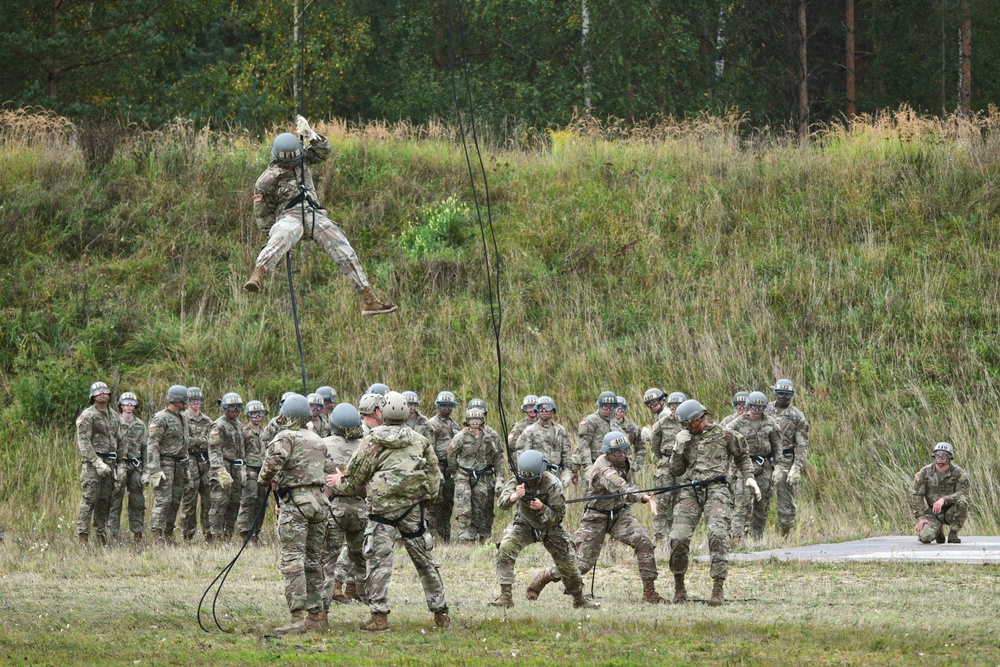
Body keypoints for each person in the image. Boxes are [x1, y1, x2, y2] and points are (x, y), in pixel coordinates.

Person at [243, 116, 397, 317]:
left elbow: (324, 151)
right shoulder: (266, 181)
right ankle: (258, 274)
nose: (291, 166)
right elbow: (263, 215)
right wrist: (272, 236)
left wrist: (311, 135)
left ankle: (369, 300)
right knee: (282, 235)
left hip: (314, 214)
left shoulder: (303, 158)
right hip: (289, 217)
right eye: (287, 164)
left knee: (342, 245)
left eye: (293, 162)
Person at [327, 392, 449, 632]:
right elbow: (436, 477)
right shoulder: (420, 440)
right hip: (412, 510)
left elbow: (355, 478)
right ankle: (441, 613)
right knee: (425, 562)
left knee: (378, 563)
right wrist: (427, 501)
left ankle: (379, 617)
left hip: (381, 512)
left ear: (381, 412)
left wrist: (337, 483)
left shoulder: (372, 440)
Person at [528, 432, 666, 604]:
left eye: (625, 450)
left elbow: (624, 492)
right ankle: (545, 577)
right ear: (608, 452)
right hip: (596, 517)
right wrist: (642, 497)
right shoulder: (603, 468)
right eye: (617, 452)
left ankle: (650, 593)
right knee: (582, 564)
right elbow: (620, 486)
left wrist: (638, 496)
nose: (622, 455)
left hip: (619, 514)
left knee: (643, 540)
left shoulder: (625, 462)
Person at [257, 393, 336, 635]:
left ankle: (296, 618)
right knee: (314, 561)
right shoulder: (318, 439)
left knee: (293, 561)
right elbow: (331, 470)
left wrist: (265, 481)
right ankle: (315, 618)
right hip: (319, 503)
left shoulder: (285, 436)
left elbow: (270, 467)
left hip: (296, 504)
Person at [668, 399, 758, 606]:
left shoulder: (726, 435)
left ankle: (718, 588)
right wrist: (678, 448)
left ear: (698, 419)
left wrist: (749, 477)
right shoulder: (685, 439)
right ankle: (679, 587)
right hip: (691, 490)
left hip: (717, 488)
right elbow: (677, 470)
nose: (685, 428)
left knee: (717, 533)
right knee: (678, 537)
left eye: (687, 424)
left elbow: (743, 457)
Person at [490, 450, 598, 609]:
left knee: (569, 562)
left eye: (533, 479)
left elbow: (559, 515)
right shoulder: (516, 481)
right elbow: (501, 504)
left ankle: (578, 598)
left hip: (550, 527)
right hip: (524, 524)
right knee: (506, 548)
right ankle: (506, 596)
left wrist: (542, 508)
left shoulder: (553, 484)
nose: (530, 483)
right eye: (527, 480)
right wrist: (514, 497)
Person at [321, 403, 368, 614]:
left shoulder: (322, 444)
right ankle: (368, 600)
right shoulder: (365, 445)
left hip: (333, 507)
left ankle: (321, 608)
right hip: (361, 507)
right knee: (362, 558)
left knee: (327, 559)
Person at [727, 392, 781, 540]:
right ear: (749, 406)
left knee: (762, 505)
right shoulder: (737, 423)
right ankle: (736, 539)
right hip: (744, 466)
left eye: (760, 407)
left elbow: (777, 446)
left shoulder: (770, 423)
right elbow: (724, 438)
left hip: (765, 467)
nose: (757, 409)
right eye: (754, 406)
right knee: (741, 503)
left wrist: (779, 467)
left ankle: (757, 538)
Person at [448, 407, 504, 542]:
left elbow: (497, 456)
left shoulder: (488, 437)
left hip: (481, 475)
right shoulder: (460, 437)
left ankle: (479, 535)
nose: (474, 422)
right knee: (464, 507)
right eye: (472, 420)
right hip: (463, 474)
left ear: (482, 421)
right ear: (467, 421)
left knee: (481, 507)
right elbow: (451, 455)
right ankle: (464, 537)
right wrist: (455, 472)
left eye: (478, 419)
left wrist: (499, 478)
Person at [75, 381, 121, 545]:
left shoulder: (115, 415)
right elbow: (84, 442)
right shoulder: (88, 415)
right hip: (93, 465)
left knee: (105, 501)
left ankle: (101, 537)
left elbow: (118, 440)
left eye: (105, 391)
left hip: (110, 462)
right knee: (89, 500)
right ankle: (83, 537)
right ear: (93, 396)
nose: (102, 393)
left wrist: (118, 464)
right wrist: (96, 462)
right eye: (98, 392)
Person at [146, 385, 190, 545]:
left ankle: (168, 533)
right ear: (176, 400)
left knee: (175, 500)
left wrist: (186, 468)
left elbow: (184, 444)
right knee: (163, 500)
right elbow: (152, 444)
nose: (187, 403)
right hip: (165, 463)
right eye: (185, 400)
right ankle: (157, 535)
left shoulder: (183, 418)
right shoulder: (160, 418)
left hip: (179, 464)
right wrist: (155, 470)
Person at [765, 379, 809, 537]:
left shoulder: (797, 416)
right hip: (764, 459)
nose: (783, 397)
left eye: (787, 395)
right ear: (775, 393)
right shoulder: (764, 409)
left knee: (786, 499)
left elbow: (802, 444)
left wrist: (796, 467)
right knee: (758, 496)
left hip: (785, 459)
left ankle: (785, 534)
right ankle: (754, 535)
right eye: (780, 393)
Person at [419, 391, 461, 542]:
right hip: (437, 466)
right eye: (443, 405)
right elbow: (429, 448)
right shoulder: (432, 424)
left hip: (451, 468)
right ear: (438, 406)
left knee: (448, 503)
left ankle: (445, 537)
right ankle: (430, 536)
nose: (446, 409)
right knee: (435, 503)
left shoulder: (454, 425)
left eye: (449, 406)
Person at [107, 391, 147, 544]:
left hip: (136, 465)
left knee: (137, 501)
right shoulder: (115, 422)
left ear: (135, 405)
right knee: (115, 500)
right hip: (119, 464)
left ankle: (137, 534)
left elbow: (145, 448)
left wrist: (147, 470)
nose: (129, 405)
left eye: (132, 403)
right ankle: (113, 534)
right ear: (121, 405)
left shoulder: (140, 425)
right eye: (126, 403)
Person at [207, 392, 246, 544]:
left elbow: (241, 448)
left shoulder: (239, 424)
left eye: (237, 407)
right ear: (224, 407)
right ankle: (215, 537)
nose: (235, 410)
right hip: (223, 468)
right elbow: (214, 449)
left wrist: (243, 467)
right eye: (231, 407)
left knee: (234, 503)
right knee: (219, 503)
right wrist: (220, 470)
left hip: (236, 467)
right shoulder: (218, 425)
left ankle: (228, 536)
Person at [913, 442, 970, 544]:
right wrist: (921, 518)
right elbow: (918, 495)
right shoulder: (925, 472)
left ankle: (953, 534)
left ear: (949, 457)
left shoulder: (959, 473)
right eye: (937, 455)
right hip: (932, 513)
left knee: (963, 503)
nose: (940, 458)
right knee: (925, 538)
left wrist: (944, 499)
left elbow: (963, 493)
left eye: (943, 455)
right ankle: (938, 531)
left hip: (950, 511)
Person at [648, 391, 686, 541]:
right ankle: (660, 536)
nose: (675, 408)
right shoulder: (663, 422)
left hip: (683, 464)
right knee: (662, 501)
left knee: (681, 500)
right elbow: (654, 444)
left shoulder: (690, 422)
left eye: (678, 405)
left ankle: (677, 535)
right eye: (672, 405)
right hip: (665, 463)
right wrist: (662, 459)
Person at [515, 396, 573, 487]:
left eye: (547, 407)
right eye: (540, 408)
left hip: (557, 476)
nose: (544, 410)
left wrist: (567, 473)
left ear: (553, 411)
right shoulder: (529, 431)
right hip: (537, 477)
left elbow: (566, 455)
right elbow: (523, 458)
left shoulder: (560, 430)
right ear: (537, 412)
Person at [179, 387, 213, 542]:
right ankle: (188, 535)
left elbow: (212, 442)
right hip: (189, 461)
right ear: (187, 402)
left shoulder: (208, 421)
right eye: (193, 400)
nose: (196, 403)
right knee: (189, 500)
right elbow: (183, 442)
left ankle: (209, 533)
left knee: (209, 499)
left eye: (198, 400)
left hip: (205, 461)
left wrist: (198, 442)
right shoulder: (182, 418)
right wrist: (201, 441)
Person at [574, 391, 618, 493]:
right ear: (599, 405)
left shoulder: (615, 422)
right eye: (604, 406)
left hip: (612, 467)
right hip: (595, 466)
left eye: (611, 407)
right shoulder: (591, 421)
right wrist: (588, 468)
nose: (608, 410)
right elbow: (583, 446)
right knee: (593, 500)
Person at [238, 400, 269, 542]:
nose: (257, 416)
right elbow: (240, 452)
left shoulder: (265, 432)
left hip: (263, 470)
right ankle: (245, 533)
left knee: (261, 502)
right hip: (249, 470)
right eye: (254, 414)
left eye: (260, 413)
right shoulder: (244, 432)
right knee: (248, 501)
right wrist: (242, 469)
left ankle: (256, 532)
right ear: (249, 416)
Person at [613, 396, 644, 467]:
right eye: (617, 408)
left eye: (622, 409)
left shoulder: (632, 428)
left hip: (625, 465)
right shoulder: (605, 425)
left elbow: (641, 447)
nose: (619, 411)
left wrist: (636, 465)